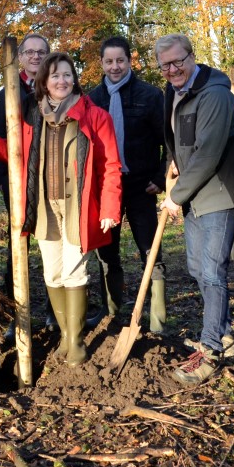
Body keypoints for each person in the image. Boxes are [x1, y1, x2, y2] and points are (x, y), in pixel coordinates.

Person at [0, 52, 122, 365]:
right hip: (43, 205)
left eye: (67, 74)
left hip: (79, 207)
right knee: (53, 271)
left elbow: (110, 165)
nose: (62, 81)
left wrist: (110, 208)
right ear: (44, 82)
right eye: (55, 76)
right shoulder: (32, 118)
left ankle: (76, 341)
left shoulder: (95, 116)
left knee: (75, 269)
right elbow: (16, 154)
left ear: (75, 79)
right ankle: (66, 337)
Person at [157, 33, 234, 385]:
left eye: (178, 61)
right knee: (197, 268)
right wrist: (174, 165)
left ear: (192, 56)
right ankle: (225, 336)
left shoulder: (214, 94)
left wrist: (174, 197)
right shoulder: (177, 92)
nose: (173, 69)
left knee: (212, 272)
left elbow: (209, 153)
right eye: (165, 65)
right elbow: (183, 143)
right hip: (195, 192)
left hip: (221, 194)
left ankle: (210, 350)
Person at [87, 36, 166, 325]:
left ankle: (157, 319)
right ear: (102, 63)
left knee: (150, 249)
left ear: (129, 61)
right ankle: (112, 312)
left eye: (120, 60)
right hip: (107, 188)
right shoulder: (93, 100)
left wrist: (160, 178)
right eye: (109, 61)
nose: (115, 66)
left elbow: (168, 142)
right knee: (106, 252)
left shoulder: (150, 96)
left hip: (141, 185)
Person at [0, 33, 51, 335]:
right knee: (19, 247)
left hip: (50, 180)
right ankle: (14, 316)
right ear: (20, 58)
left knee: (53, 245)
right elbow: (1, 138)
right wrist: (8, 183)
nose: (36, 57)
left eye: (42, 52)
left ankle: (55, 313)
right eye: (30, 52)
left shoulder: (58, 88)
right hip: (17, 184)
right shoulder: (6, 94)